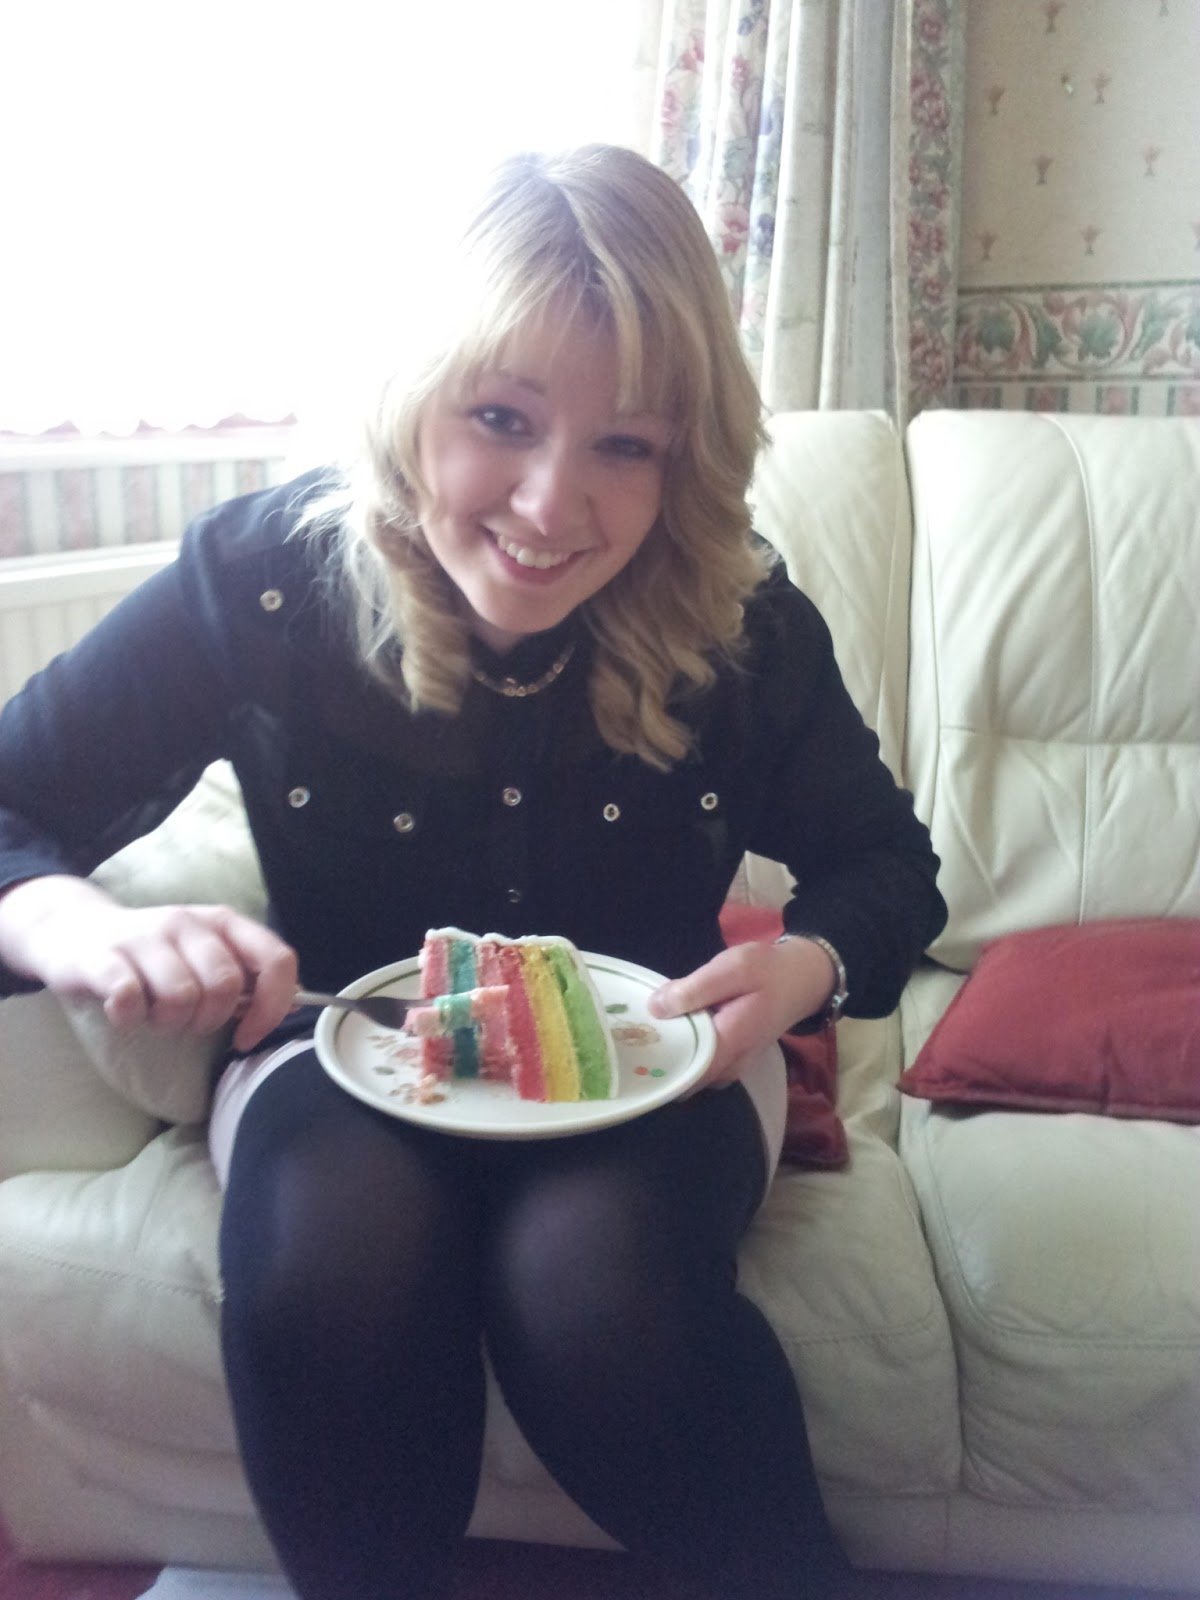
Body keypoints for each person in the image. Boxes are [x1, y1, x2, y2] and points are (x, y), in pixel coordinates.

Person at [0, 145, 946, 1600]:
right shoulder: (264, 580)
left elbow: (888, 864)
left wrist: (807, 966)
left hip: (658, 1057)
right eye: (500, 419)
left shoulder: (744, 621)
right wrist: (65, 919)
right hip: (344, 1037)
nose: (552, 506)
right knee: (332, 1263)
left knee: (592, 1289)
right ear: (413, 398)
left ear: (685, 455)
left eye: (626, 445)